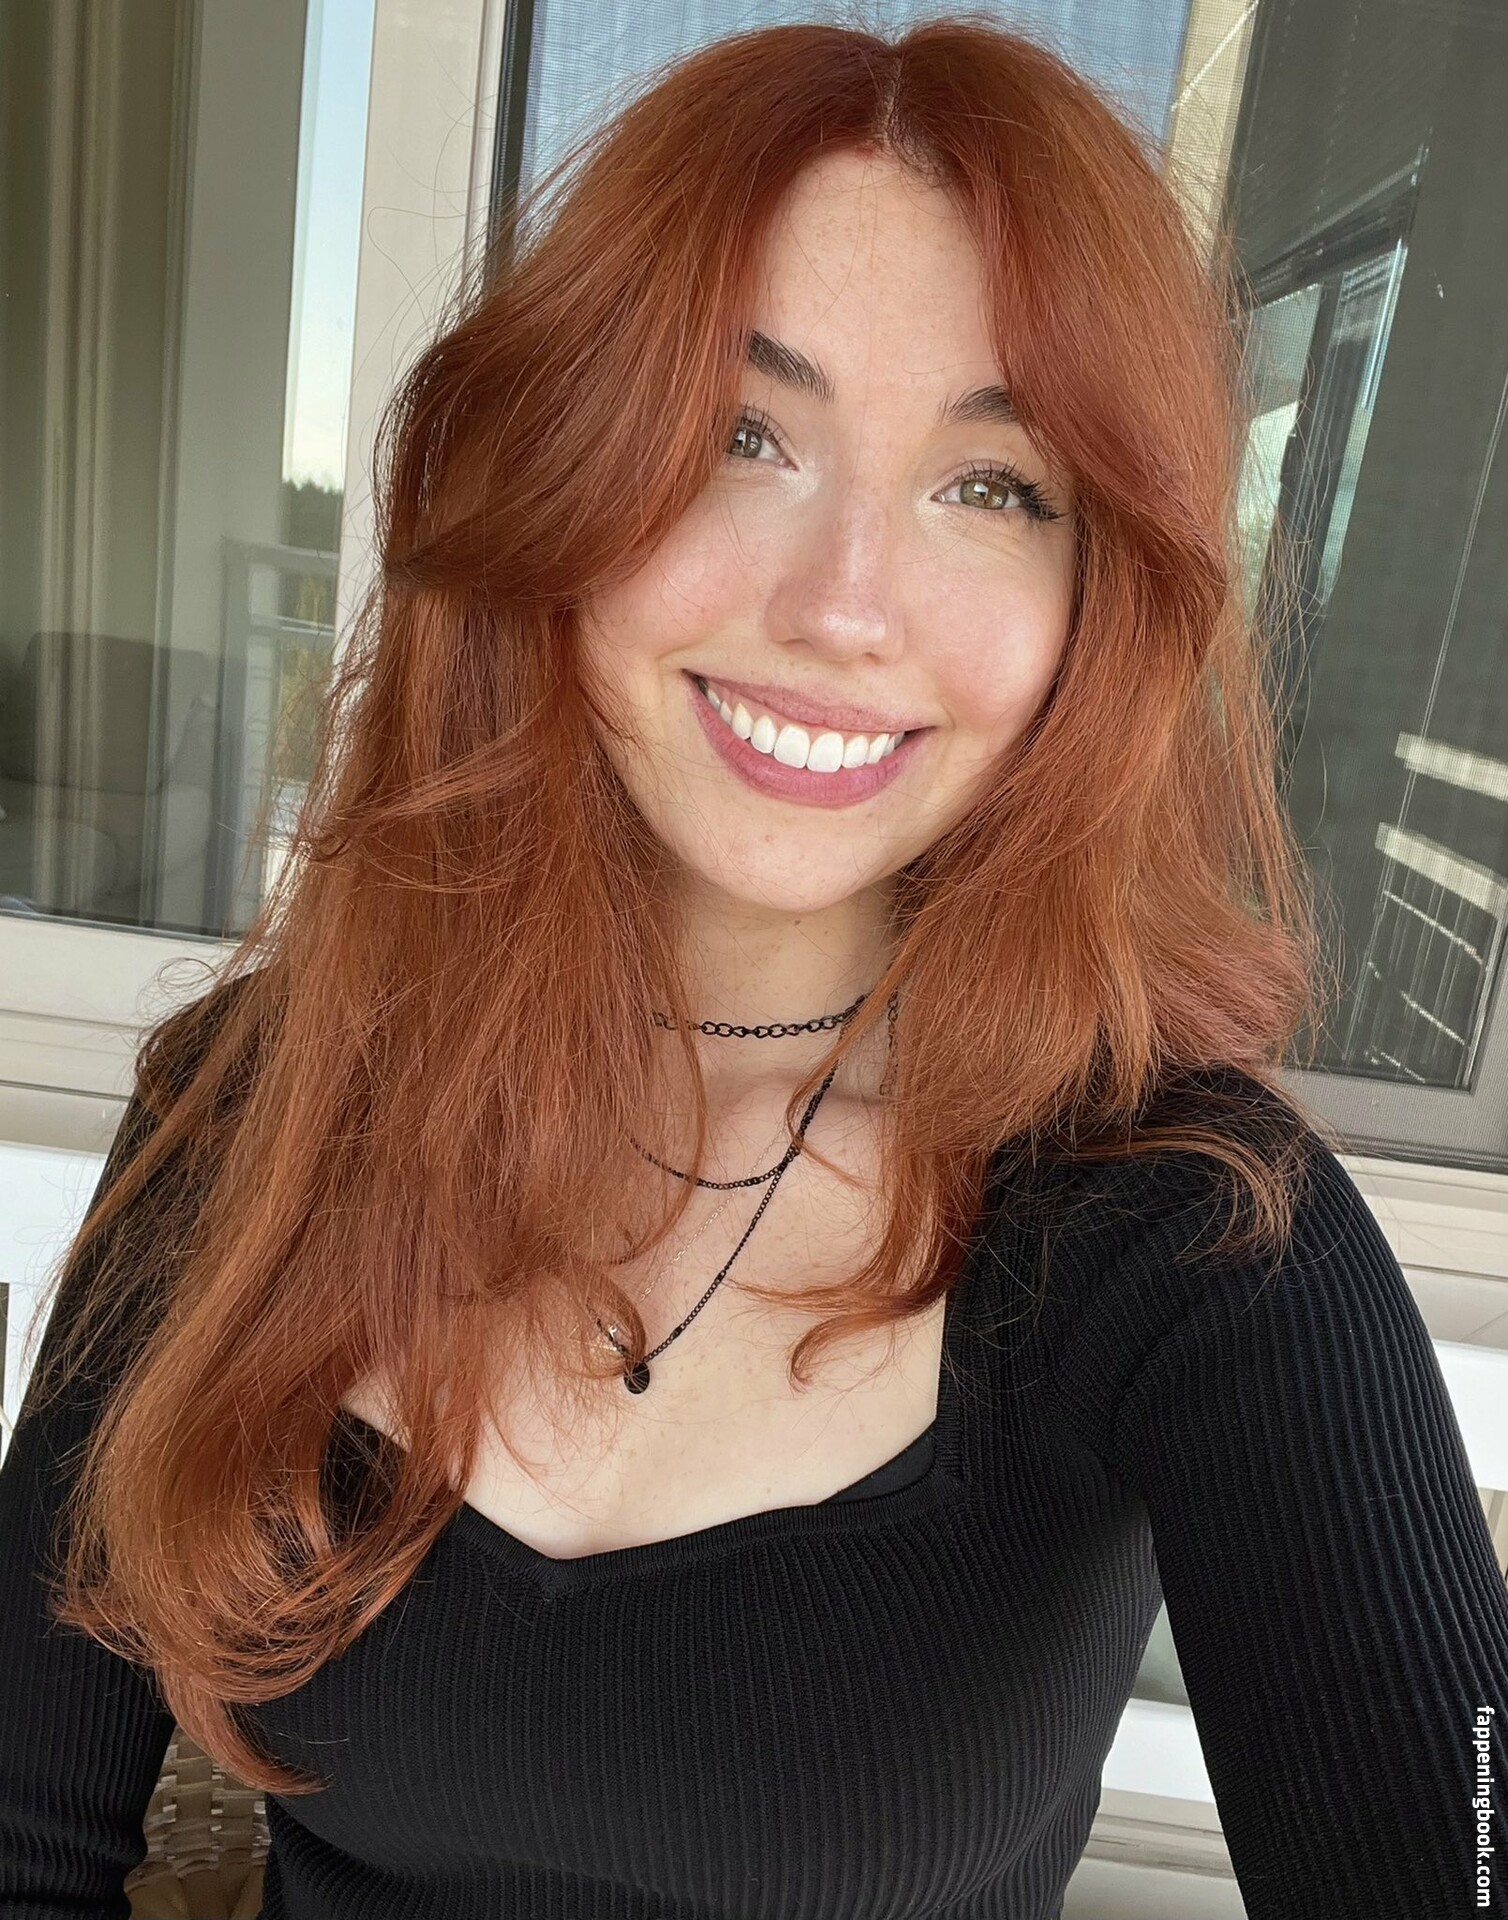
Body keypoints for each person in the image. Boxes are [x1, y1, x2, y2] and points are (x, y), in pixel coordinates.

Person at [3, 17, 1506, 1920]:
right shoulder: (254, 1103)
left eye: (993, 485)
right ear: (559, 480)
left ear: (1098, 597)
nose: (844, 607)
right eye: (744, 436)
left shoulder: (1194, 1233)